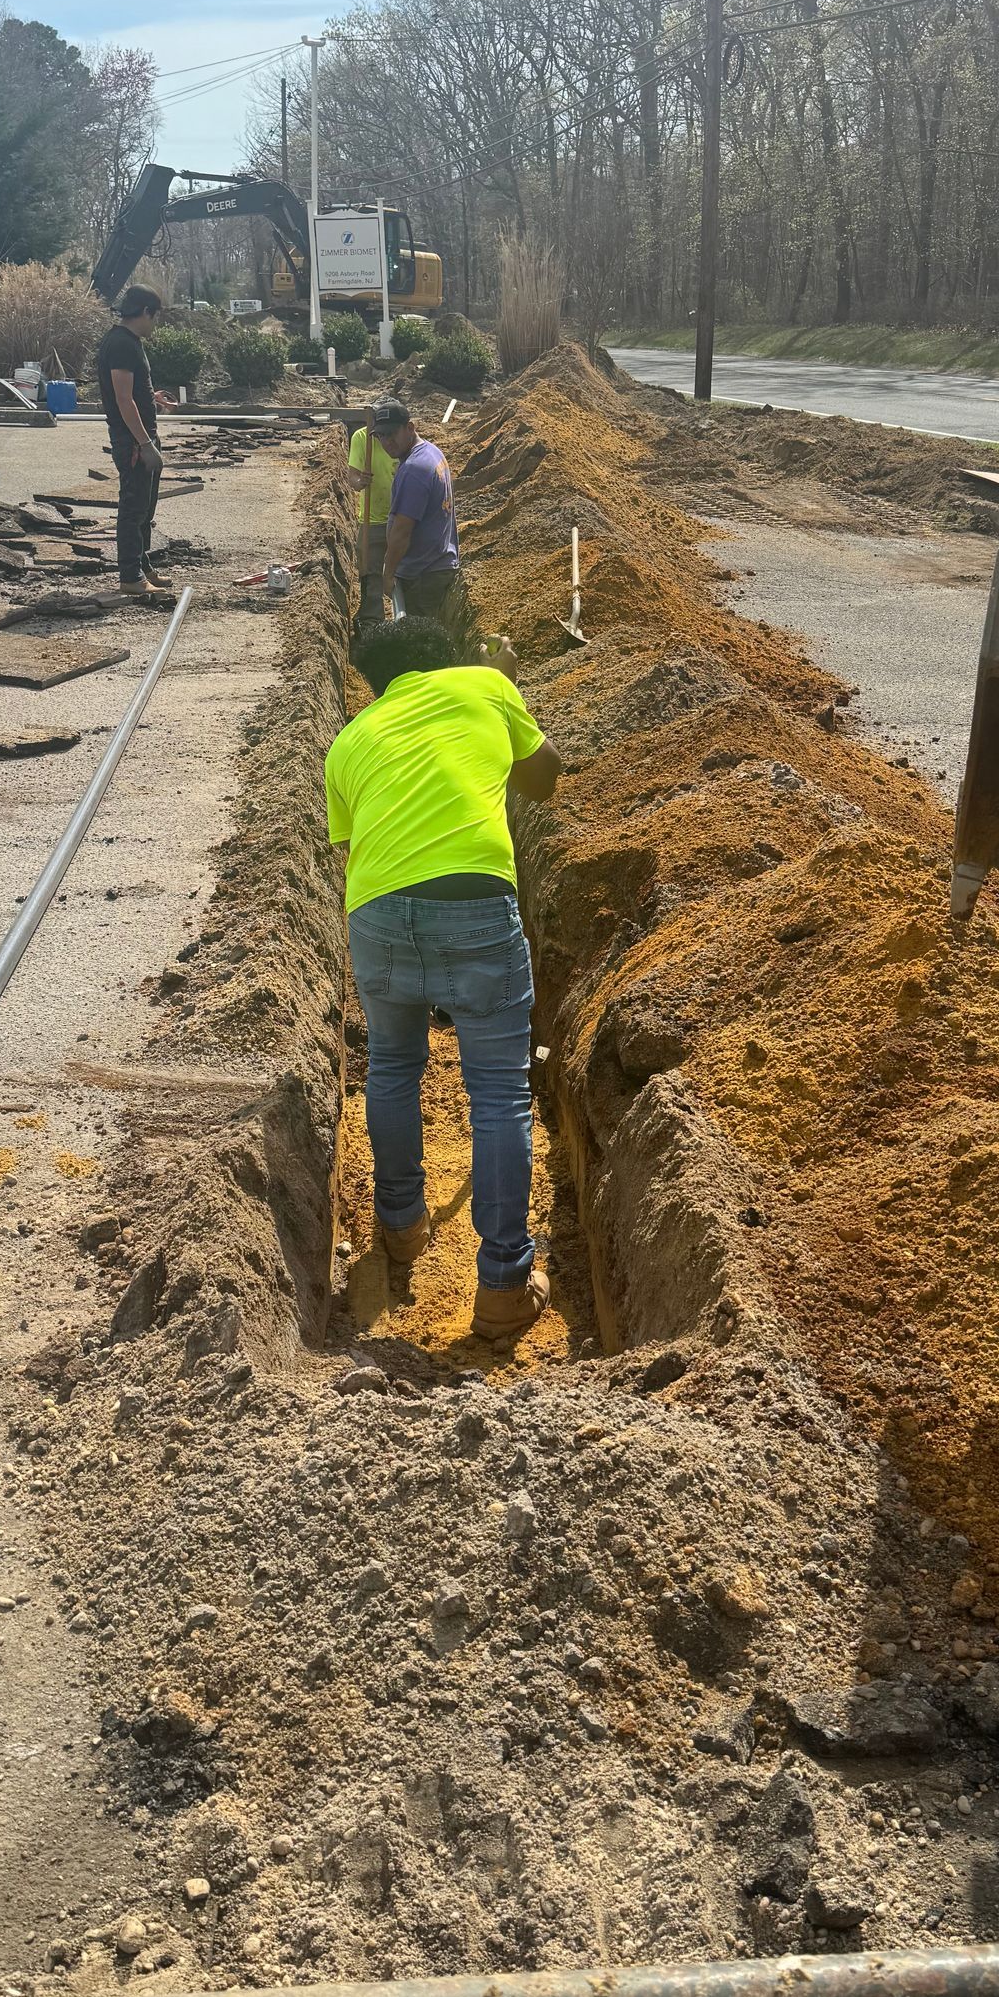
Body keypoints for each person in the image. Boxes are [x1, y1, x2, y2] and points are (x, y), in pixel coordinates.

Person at [325, 615, 562, 1346]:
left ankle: (401, 1228)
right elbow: (544, 781)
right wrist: (510, 696)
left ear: (376, 682)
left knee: (393, 1066)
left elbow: (351, 844)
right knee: (497, 1094)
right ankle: (502, 1287)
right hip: (475, 906)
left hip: (377, 911)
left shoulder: (350, 739)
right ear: (449, 654)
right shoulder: (488, 685)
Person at [96, 286, 172, 600]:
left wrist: (151, 398)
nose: (155, 324)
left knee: (144, 509)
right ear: (145, 312)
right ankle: (130, 575)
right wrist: (144, 444)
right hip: (133, 443)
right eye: (155, 317)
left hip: (141, 438)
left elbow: (132, 393)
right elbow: (123, 400)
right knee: (133, 508)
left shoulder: (129, 342)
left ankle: (142, 566)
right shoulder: (121, 344)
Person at [371, 402, 460, 620]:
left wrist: (388, 573)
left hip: (424, 575)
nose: (386, 442)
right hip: (436, 564)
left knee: (420, 646)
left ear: (410, 428)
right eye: (380, 435)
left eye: (392, 433)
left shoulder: (414, 469)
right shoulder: (431, 452)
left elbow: (402, 532)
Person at [346, 396, 402, 626]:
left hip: (401, 516)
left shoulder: (401, 439)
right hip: (372, 519)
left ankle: (405, 619)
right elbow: (352, 477)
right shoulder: (362, 438)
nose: (384, 437)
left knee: (404, 572)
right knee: (370, 570)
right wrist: (361, 482)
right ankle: (372, 620)